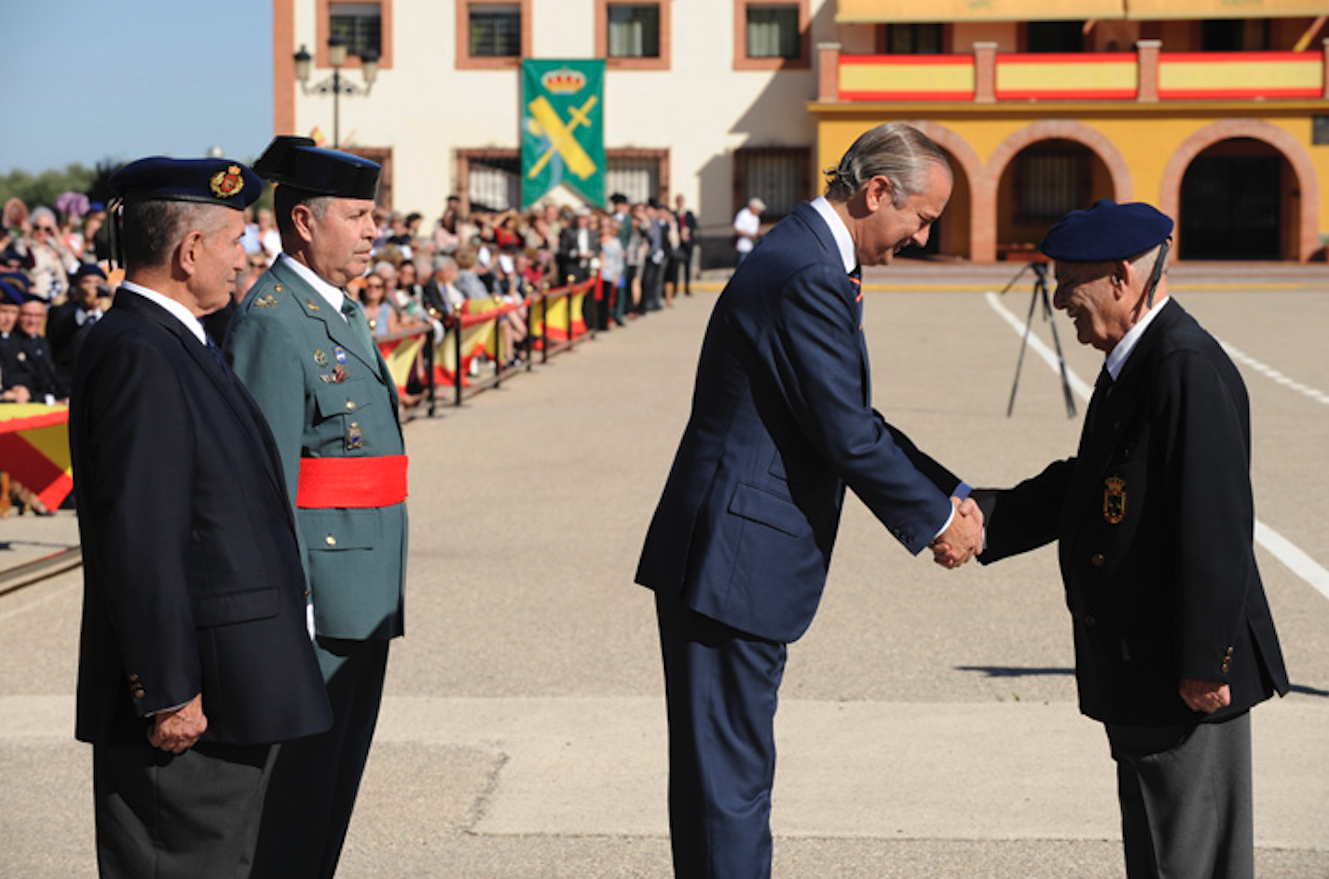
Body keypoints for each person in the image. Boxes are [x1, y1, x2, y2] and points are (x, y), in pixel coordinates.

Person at [635, 122, 984, 879]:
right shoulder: (805, 270)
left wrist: (949, 489)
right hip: (731, 559)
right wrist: (935, 522)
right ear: (877, 191)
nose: (920, 239)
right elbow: (845, 432)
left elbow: (847, 414)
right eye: (920, 219)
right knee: (728, 782)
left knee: (724, 775)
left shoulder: (810, 256)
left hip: (732, 553)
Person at [961, 200, 1288, 879]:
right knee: (1158, 851)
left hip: (1182, 676)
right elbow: (1087, 483)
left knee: (1189, 858)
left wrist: (1205, 658)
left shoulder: (1181, 365)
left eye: (1068, 288)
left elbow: (1215, 520)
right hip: (1141, 665)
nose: (1057, 303)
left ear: (1118, 277)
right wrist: (980, 516)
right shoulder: (1133, 361)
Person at [68, 155, 331, 879]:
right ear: (189, 252)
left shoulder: (177, 339)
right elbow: (141, 536)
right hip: (190, 699)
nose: (243, 261)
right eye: (235, 242)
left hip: (227, 682)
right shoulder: (140, 351)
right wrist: (167, 686)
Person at [224, 136, 408, 879]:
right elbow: (262, 483)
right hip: (318, 607)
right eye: (360, 216)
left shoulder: (336, 309)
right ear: (304, 220)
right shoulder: (274, 319)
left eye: (374, 216)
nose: (374, 231)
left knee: (330, 798)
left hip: (361, 594)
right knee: (296, 809)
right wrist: (285, 611)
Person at [48, 262, 108, 388]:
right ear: (77, 286)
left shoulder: (110, 314)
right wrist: (86, 310)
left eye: (98, 282)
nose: (94, 287)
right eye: (88, 282)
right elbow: (57, 334)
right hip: (70, 384)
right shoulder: (62, 311)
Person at [732, 196, 764, 265]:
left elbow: (755, 230)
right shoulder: (743, 214)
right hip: (744, 245)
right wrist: (750, 236)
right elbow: (737, 229)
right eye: (758, 209)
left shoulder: (756, 218)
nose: (760, 211)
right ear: (753, 208)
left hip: (754, 246)